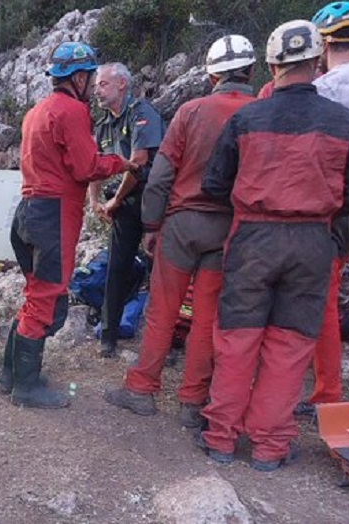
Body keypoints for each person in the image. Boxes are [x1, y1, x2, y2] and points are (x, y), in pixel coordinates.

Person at [198, 20, 349, 472]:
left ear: (272, 65)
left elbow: (215, 184)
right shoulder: (345, 123)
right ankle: (270, 447)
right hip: (313, 242)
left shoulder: (246, 117)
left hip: (254, 237)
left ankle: (222, 440)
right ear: (317, 61)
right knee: (290, 346)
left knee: (236, 339)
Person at [104, 35, 257, 426]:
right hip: (227, 229)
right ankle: (193, 401)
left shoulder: (191, 111)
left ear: (211, 76)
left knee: (163, 310)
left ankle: (141, 389)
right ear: (252, 71)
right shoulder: (261, 113)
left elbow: (160, 175)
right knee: (207, 316)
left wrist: (152, 225)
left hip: (181, 225)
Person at [3, 42, 137, 409]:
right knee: (46, 299)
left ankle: (12, 374)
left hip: (28, 211)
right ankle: (26, 387)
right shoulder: (72, 111)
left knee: (35, 293)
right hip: (54, 216)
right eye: (89, 76)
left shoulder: (36, 111)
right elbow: (86, 167)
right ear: (78, 77)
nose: (91, 83)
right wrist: (122, 163)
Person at [293, 0, 349, 417]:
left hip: (336, 206)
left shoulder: (322, 91)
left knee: (323, 295)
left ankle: (327, 393)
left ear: (322, 45)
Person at [89, 63, 166, 358]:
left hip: (152, 198)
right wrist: (95, 202)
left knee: (157, 269)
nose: (97, 89)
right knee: (117, 266)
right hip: (122, 201)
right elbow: (95, 166)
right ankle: (108, 336)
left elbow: (140, 160)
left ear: (122, 84)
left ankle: (163, 341)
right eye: (96, 85)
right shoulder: (103, 124)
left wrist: (114, 200)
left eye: (104, 84)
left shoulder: (142, 112)